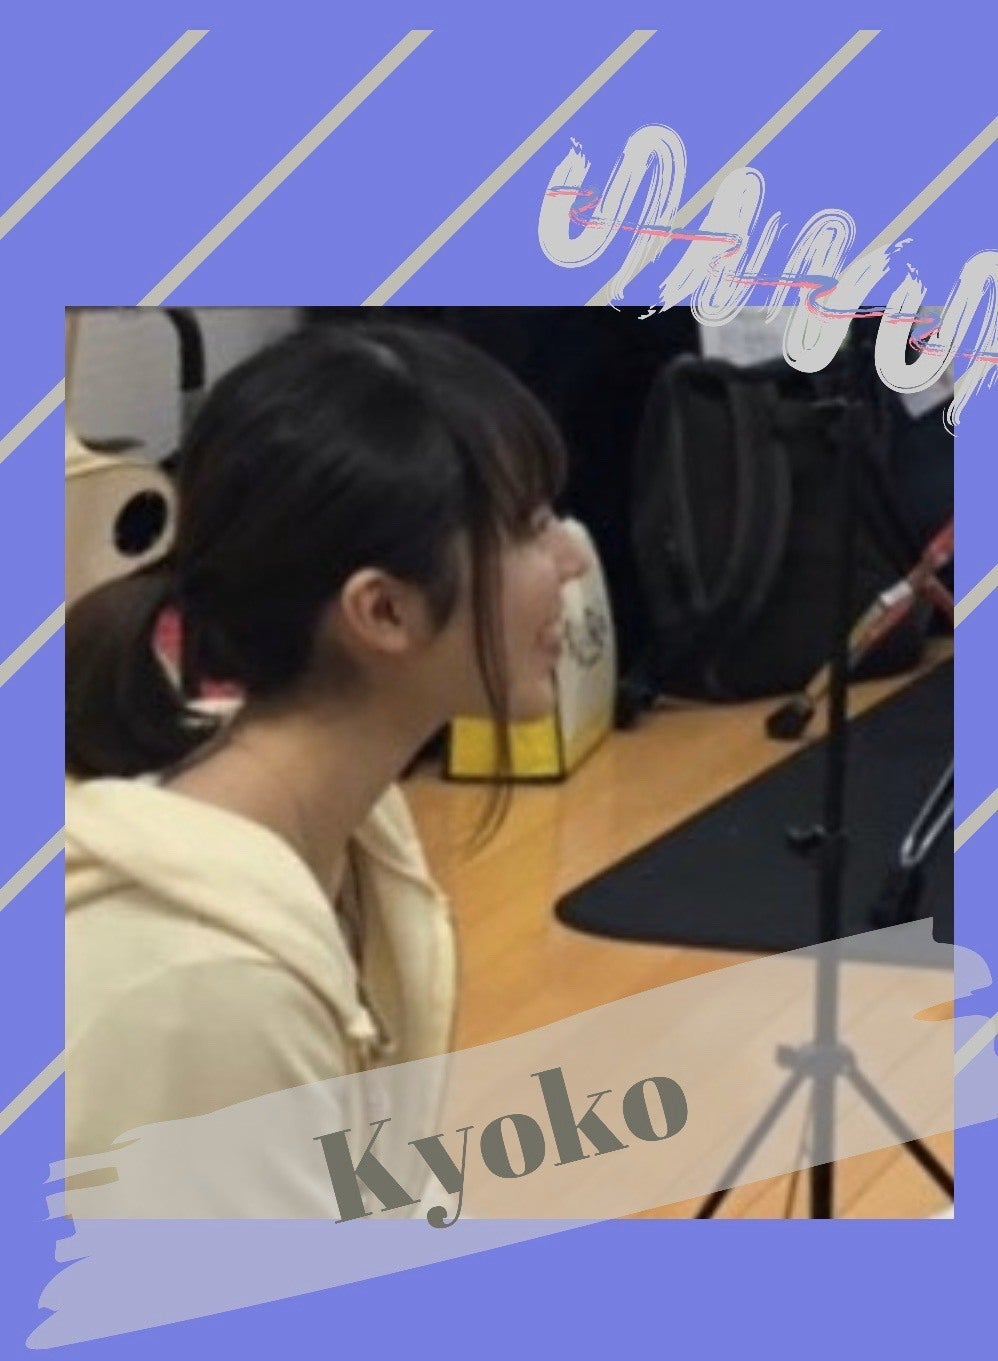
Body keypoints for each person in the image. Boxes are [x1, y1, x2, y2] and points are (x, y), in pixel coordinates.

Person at [64, 320, 590, 1213]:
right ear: (382, 611)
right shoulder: (202, 985)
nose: (571, 557)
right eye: (530, 528)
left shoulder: (354, 838)